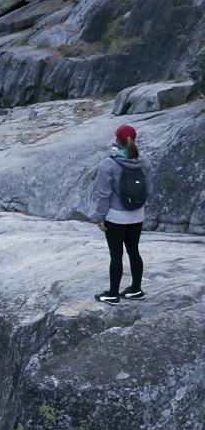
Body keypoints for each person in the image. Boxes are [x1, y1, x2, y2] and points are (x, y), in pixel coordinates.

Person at [90, 123, 151, 304]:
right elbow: (149, 189)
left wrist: (100, 218)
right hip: (137, 215)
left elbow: (104, 195)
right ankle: (136, 290)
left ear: (116, 140)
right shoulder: (143, 161)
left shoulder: (109, 164)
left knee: (116, 255)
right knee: (134, 251)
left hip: (115, 217)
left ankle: (112, 294)